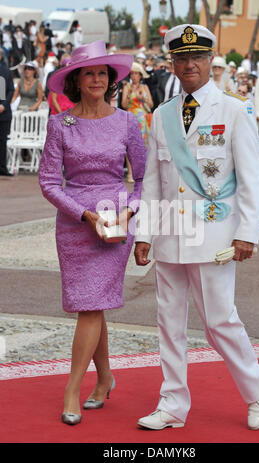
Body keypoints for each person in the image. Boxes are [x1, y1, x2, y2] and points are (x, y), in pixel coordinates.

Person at [134, 24, 259, 431]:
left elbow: (250, 176)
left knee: (219, 321)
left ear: (210, 60)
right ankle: (173, 404)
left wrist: (246, 231)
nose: (189, 64)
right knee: (169, 321)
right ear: (172, 63)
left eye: (197, 57)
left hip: (214, 236)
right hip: (172, 237)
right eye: (181, 58)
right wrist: (144, 232)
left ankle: (256, 387)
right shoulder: (162, 115)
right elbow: (153, 182)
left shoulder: (234, 109)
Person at [38, 40, 146, 426]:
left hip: (116, 223)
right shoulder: (59, 124)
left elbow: (144, 179)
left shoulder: (128, 122)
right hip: (76, 223)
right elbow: (49, 182)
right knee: (91, 304)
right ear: (77, 81)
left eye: (103, 73)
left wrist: (129, 213)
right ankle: (104, 378)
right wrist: (84, 215)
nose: (98, 78)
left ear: (110, 79)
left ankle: (72, 389)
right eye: (90, 73)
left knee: (91, 304)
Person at [122, 61, 153, 182]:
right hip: (131, 118)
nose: (134, 76)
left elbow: (151, 104)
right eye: (132, 74)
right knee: (130, 145)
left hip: (143, 120)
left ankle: (142, 172)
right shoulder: (127, 87)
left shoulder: (145, 87)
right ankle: (130, 173)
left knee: (144, 146)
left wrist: (143, 99)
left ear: (140, 75)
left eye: (137, 74)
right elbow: (124, 104)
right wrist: (130, 95)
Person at [0, 48, 15, 176]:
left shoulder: (6, 72)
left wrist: (3, 105)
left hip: (3, 113)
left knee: (2, 141)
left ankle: (2, 168)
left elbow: (11, 90)